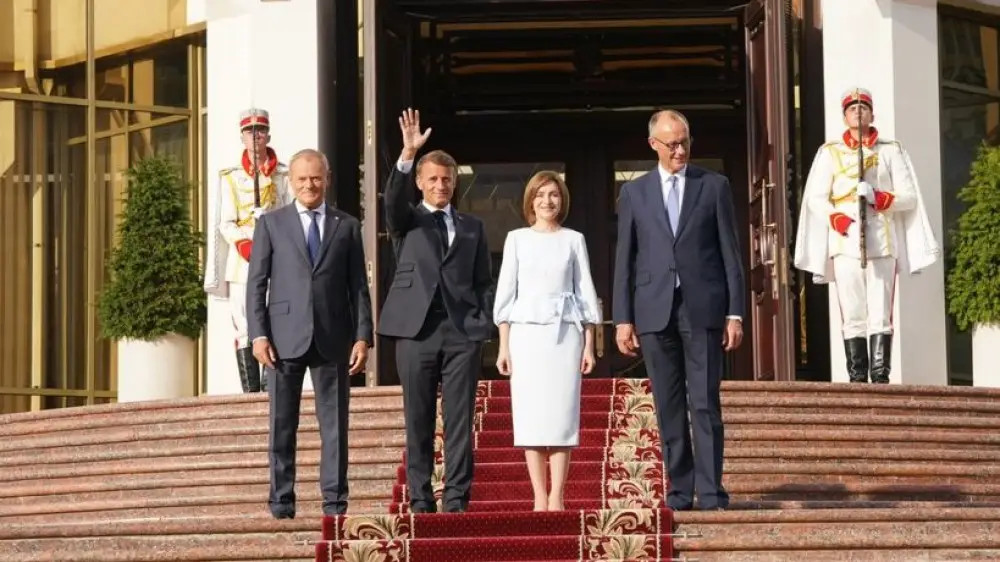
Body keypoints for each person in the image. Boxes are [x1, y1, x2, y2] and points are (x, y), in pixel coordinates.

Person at [612, 109, 744, 512]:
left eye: (685, 142)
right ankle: (680, 492)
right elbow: (625, 259)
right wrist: (623, 318)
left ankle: (712, 493)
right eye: (672, 144)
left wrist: (735, 313)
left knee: (704, 403)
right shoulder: (635, 193)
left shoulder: (714, 186)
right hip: (654, 311)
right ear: (653, 144)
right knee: (668, 406)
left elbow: (730, 253)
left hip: (703, 309)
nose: (680, 151)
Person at [376, 108, 494, 514]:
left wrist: (481, 321)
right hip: (416, 331)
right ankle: (421, 498)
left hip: (462, 332)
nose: (440, 185)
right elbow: (393, 201)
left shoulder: (473, 227)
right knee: (419, 417)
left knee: (460, 419)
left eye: (446, 179)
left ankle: (457, 497)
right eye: (432, 179)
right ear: (420, 183)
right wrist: (408, 154)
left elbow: (483, 280)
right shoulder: (407, 220)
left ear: (454, 182)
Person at [246, 148, 373, 519]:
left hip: (334, 338)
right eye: (302, 179)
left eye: (316, 178)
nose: (309, 185)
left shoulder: (346, 225)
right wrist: (258, 335)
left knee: (334, 426)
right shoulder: (271, 224)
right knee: (282, 424)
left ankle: (334, 502)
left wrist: (362, 336)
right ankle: (281, 501)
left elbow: (358, 286)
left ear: (327, 179)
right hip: (282, 340)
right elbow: (256, 284)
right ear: (291, 181)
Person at [793, 88, 940, 384]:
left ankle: (880, 375)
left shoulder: (890, 151)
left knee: (881, 312)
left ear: (872, 114)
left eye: (863, 108)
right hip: (845, 241)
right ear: (844, 116)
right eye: (852, 108)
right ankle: (857, 376)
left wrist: (879, 197)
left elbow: (909, 197)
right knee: (852, 313)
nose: (858, 112)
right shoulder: (830, 152)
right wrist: (835, 217)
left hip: (881, 241)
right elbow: (815, 198)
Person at [493, 171, 601, 512]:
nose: (547, 201)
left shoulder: (574, 240)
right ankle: (539, 494)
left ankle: (558, 495)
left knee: (561, 414)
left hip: (564, 335)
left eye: (553, 194)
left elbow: (585, 293)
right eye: (540, 195)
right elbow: (505, 295)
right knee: (531, 415)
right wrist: (503, 346)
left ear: (562, 199)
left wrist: (589, 344)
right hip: (526, 336)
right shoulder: (516, 239)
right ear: (530, 200)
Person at [203, 107, 291, 393]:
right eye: (249, 131)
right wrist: (247, 245)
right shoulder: (231, 177)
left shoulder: (284, 175)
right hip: (244, 262)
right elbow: (225, 223)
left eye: (261, 130)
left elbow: (290, 212)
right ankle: (250, 393)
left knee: (274, 321)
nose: (255, 136)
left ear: (268, 135)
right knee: (244, 326)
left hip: (276, 258)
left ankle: (270, 388)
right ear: (242, 137)